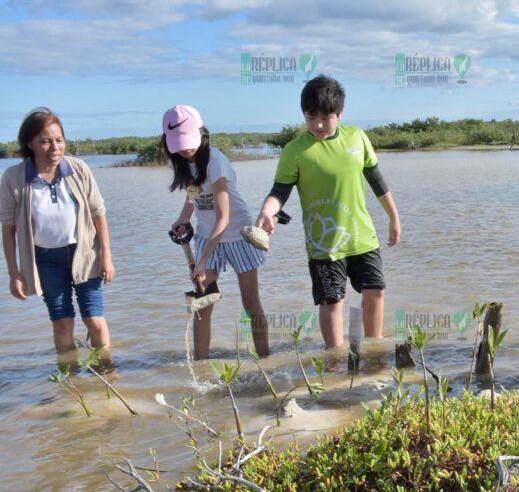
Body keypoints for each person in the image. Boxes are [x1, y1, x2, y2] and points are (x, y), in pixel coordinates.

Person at [255, 75, 400, 351]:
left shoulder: (357, 138)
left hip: (362, 237)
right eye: (311, 117)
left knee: (376, 291)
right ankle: (335, 360)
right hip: (324, 245)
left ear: (340, 114)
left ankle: (373, 352)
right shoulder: (295, 151)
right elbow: (280, 192)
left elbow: (377, 181)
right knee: (331, 301)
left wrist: (394, 217)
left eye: (326, 117)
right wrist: (267, 210)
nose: (318, 125)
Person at [1, 107, 116, 362]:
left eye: (59, 139)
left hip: (84, 254)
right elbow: (7, 229)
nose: (55, 147)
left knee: (94, 319)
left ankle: (106, 374)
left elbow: (98, 213)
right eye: (45, 141)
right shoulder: (13, 177)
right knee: (62, 323)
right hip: (46, 260)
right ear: (29, 143)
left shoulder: (78, 168)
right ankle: (71, 380)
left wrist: (106, 256)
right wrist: (14, 273)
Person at [162, 105, 269, 359]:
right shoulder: (185, 161)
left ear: (202, 133)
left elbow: (223, 219)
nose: (186, 148)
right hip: (206, 236)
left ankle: (266, 360)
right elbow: (194, 192)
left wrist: (200, 262)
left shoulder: (216, 162)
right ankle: (201, 365)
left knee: (251, 304)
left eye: (189, 141)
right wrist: (184, 218)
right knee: (202, 303)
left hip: (236, 235)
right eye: (179, 144)